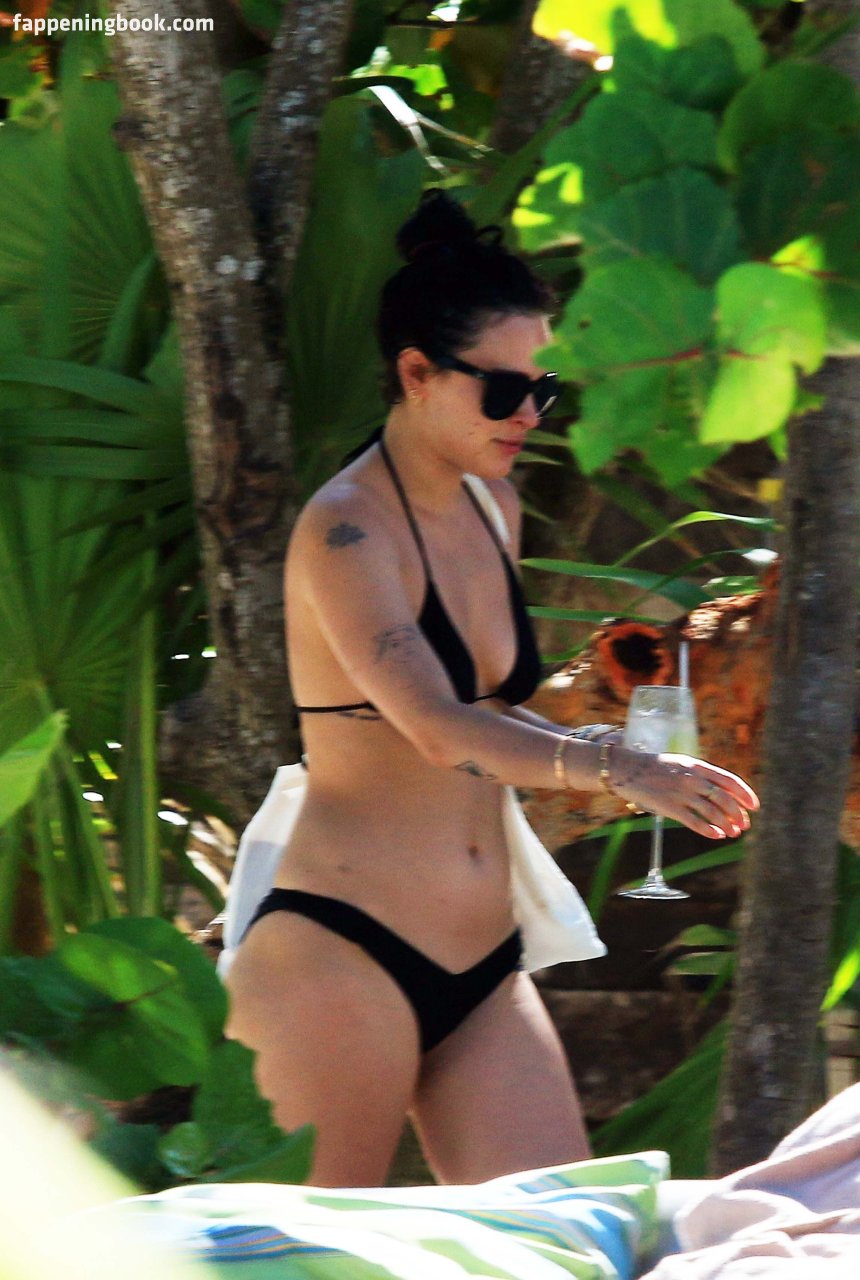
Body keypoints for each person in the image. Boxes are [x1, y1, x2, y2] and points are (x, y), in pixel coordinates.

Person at [224, 190, 759, 1188]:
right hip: (341, 953)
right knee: (302, 1251)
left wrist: (620, 745)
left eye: (542, 390)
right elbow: (435, 726)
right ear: (416, 374)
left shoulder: (491, 504)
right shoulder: (346, 530)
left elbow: (493, 710)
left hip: (481, 960)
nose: (528, 415)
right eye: (504, 390)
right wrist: (622, 770)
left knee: (560, 1243)